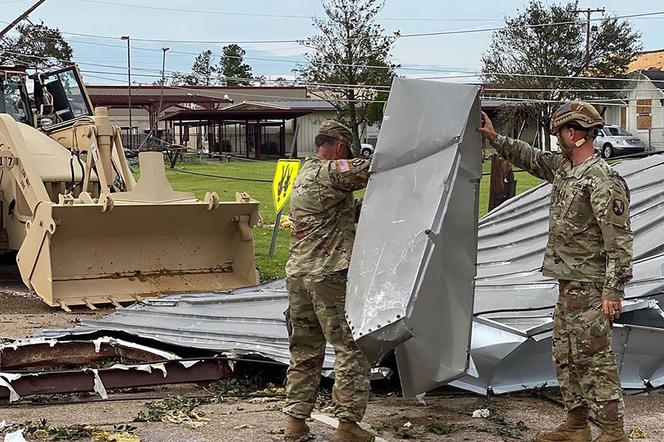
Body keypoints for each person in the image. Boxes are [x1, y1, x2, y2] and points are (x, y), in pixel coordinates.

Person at [477, 102, 633, 442]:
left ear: (574, 133)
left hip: (592, 288)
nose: (558, 139)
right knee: (566, 355)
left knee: (595, 359)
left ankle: (613, 430)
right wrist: (494, 137)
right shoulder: (565, 169)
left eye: (560, 133)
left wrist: (613, 292)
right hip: (568, 287)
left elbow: (618, 240)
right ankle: (576, 425)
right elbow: (531, 157)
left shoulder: (603, 179)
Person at [283, 120, 375, 442]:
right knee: (350, 348)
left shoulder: (304, 176)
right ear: (338, 147)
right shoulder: (333, 170)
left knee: (305, 350)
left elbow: (335, 214)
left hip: (298, 275)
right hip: (328, 275)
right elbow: (371, 169)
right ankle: (348, 427)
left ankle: (295, 421)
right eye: (346, 151)